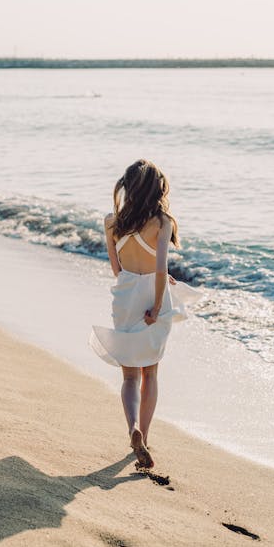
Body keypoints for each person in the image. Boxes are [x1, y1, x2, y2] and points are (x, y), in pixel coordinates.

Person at [89, 159, 201, 469]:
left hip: (125, 296)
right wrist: (154, 305)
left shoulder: (112, 221)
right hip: (153, 296)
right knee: (150, 373)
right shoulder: (163, 222)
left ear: (127, 187)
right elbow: (161, 268)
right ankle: (145, 436)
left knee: (128, 376)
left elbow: (117, 269)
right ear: (157, 189)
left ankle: (132, 429)